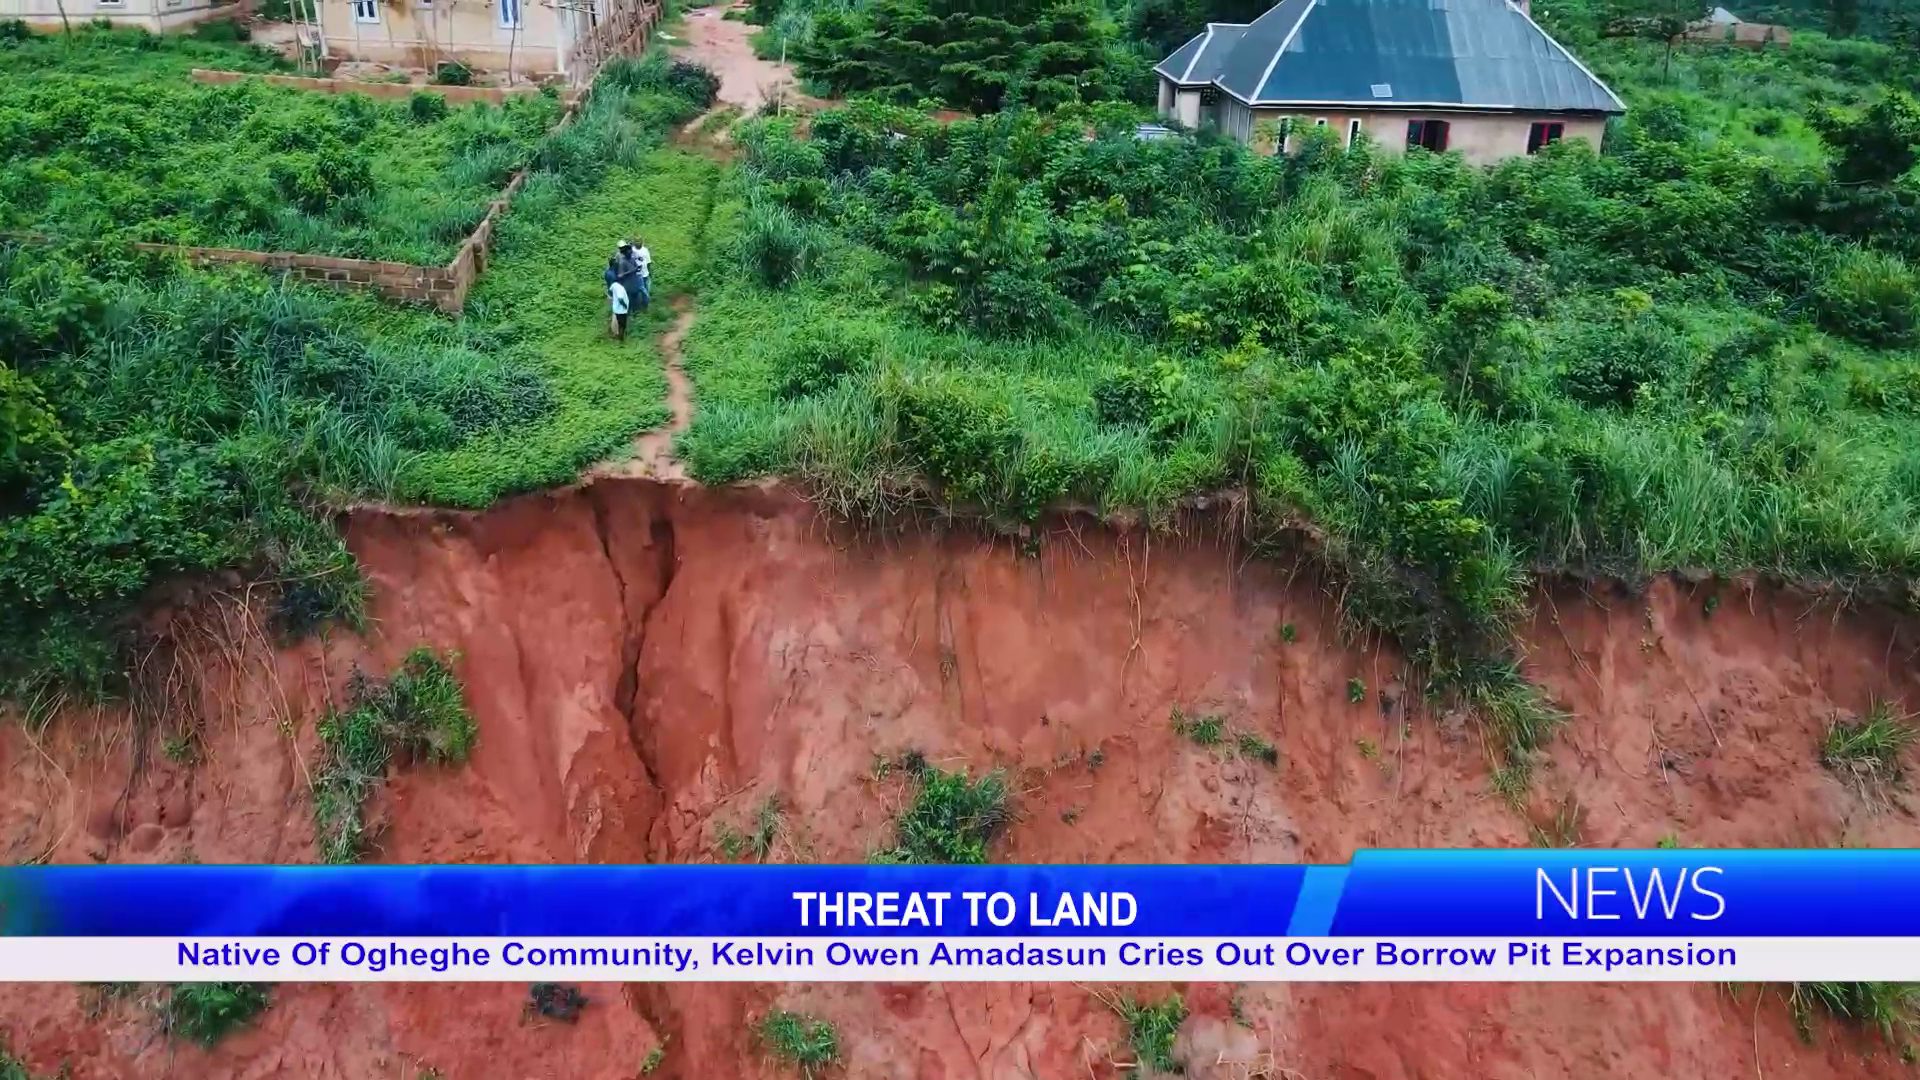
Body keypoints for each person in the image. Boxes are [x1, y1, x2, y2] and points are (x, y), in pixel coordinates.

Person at [606, 257, 630, 341]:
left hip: (611, 292)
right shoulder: (613, 276)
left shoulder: (608, 272)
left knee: (615, 313)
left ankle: (615, 332)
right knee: (617, 316)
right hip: (614, 294)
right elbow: (619, 296)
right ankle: (616, 333)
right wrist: (625, 306)